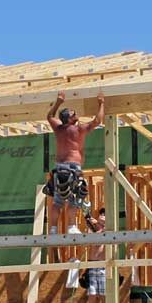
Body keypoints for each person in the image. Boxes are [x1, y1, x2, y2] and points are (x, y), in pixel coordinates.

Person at [43, 92, 104, 233]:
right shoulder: (78, 129)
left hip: (59, 168)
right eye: (74, 114)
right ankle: (71, 226)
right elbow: (97, 121)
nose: (76, 114)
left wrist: (58, 102)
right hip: (73, 168)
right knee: (75, 199)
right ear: (69, 119)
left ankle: (53, 229)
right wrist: (101, 103)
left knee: (57, 201)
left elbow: (50, 116)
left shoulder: (58, 129)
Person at [82, 210, 107, 303]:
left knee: (103, 295)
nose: (101, 217)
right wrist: (91, 224)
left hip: (103, 266)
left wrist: (100, 226)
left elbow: (103, 236)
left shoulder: (108, 230)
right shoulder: (94, 230)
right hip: (92, 265)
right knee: (92, 294)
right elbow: (93, 241)